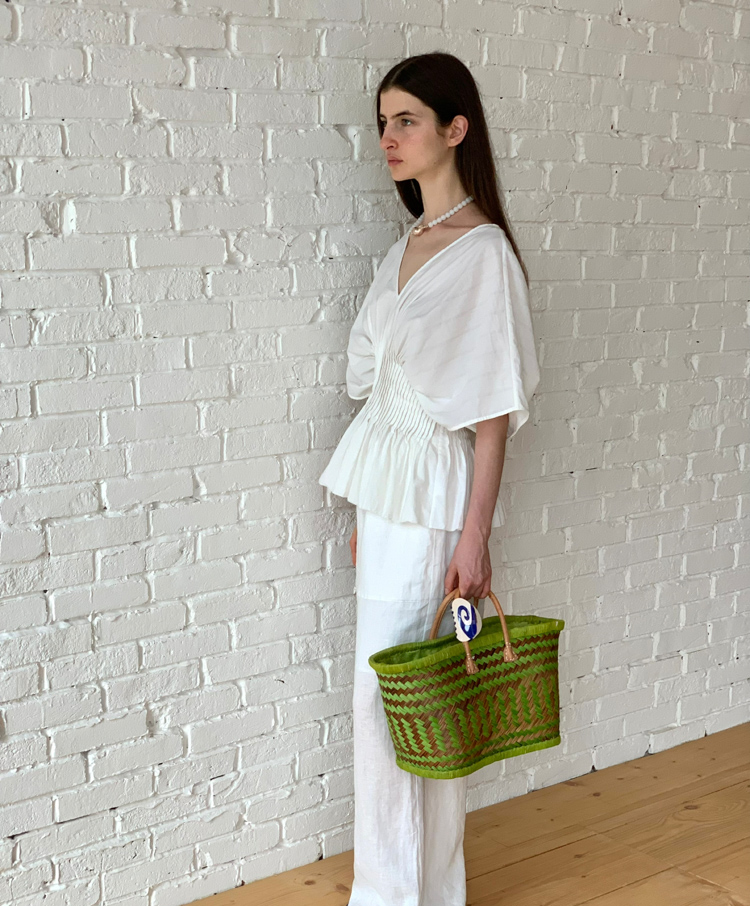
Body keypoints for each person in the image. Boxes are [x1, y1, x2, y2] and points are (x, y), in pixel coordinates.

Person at [318, 52, 541, 906]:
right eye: (383, 122)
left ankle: (401, 896)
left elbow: (492, 415)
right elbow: (384, 396)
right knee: (401, 701)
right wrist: (367, 516)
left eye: (406, 120)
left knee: (413, 700)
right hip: (392, 502)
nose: (388, 137)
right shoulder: (408, 245)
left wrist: (475, 539)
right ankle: (418, 893)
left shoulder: (481, 254)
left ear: (456, 129)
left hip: (438, 505)